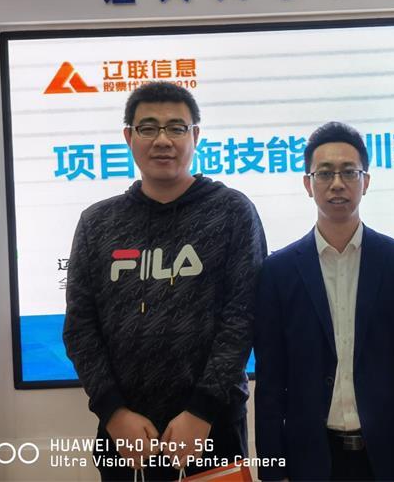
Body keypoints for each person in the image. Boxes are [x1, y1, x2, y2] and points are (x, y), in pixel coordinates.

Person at [63, 82, 267, 481]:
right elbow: (80, 328)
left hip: (212, 428)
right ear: (129, 136)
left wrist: (201, 411)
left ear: (195, 135)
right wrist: (113, 412)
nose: (162, 140)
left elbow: (243, 318)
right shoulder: (97, 223)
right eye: (148, 127)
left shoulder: (232, 212)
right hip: (125, 435)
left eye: (176, 127)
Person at [254, 121, 394, 481]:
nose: (337, 183)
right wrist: (272, 471)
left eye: (348, 172)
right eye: (324, 173)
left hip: (389, 458)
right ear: (308, 184)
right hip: (310, 460)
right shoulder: (278, 271)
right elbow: (271, 383)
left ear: (365, 182)